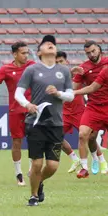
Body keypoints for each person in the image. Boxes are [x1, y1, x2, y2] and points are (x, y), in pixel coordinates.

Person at [15, 35, 74, 206]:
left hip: (56, 124)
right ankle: (33, 196)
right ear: (39, 52)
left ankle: (38, 181)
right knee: (37, 163)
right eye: (46, 43)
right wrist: (27, 104)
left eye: (53, 44)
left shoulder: (63, 71)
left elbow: (70, 95)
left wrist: (58, 94)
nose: (50, 44)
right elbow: (18, 93)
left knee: (53, 166)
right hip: (35, 123)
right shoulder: (32, 70)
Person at [0, 41, 35, 186]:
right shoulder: (6, 69)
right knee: (17, 142)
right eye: (23, 53)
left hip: (32, 110)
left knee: (35, 142)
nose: (26, 55)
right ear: (15, 54)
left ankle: (31, 170)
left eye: (27, 53)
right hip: (15, 111)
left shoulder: (33, 66)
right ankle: (19, 174)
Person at [55, 51, 107, 174]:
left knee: (90, 137)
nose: (59, 64)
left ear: (66, 62)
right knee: (55, 136)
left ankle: (100, 160)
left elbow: (77, 87)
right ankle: (75, 159)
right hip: (65, 113)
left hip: (80, 111)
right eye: (56, 62)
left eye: (61, 61)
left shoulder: (78, 73)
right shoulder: (54, 77)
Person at [72, 41, 108, 178]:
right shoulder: (83, 68)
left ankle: (101, 161)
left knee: (92, 137)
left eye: (93, 51)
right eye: (88, 53)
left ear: (99, 49)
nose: (91, 54)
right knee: (83, 135)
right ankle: (84, 167)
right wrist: (71, 74)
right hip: (93, 106)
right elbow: (74, 88)